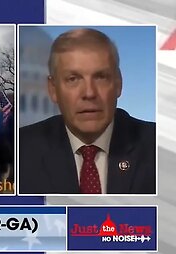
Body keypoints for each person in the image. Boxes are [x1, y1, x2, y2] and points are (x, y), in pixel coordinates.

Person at [19, 28, 156, 194]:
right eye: (73, 79)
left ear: (118, 83)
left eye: (100, 77)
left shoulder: (159, 148)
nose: (89, 93)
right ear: (53, 89)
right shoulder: (21, 151)